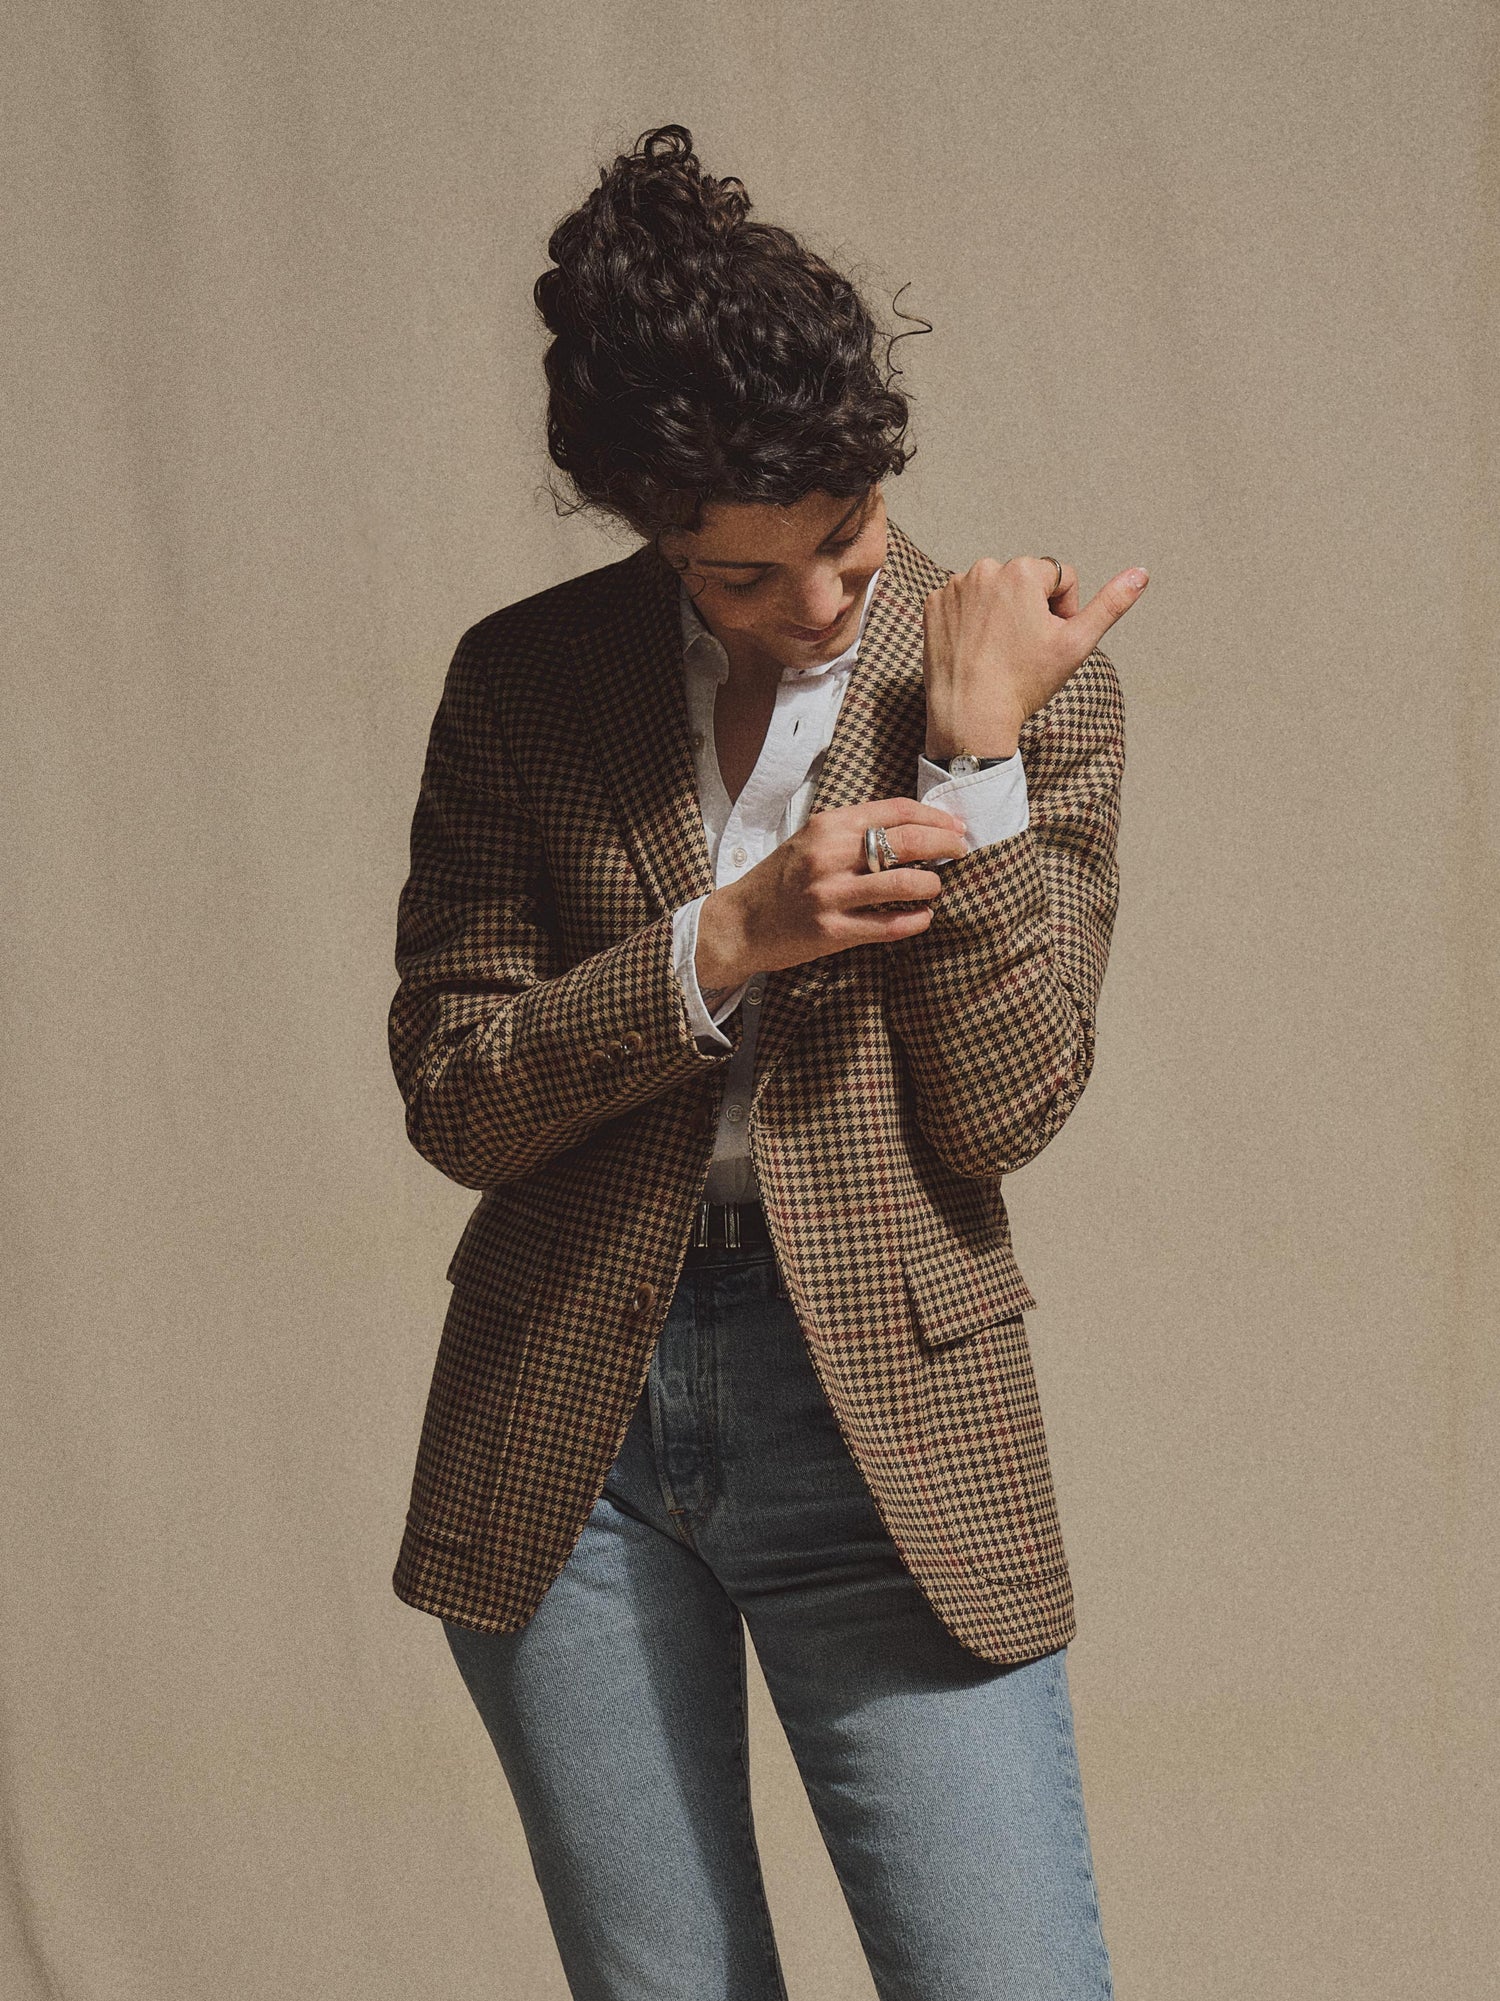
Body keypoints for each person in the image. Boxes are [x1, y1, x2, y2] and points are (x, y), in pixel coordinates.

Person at [388, 122, 1146, 2001]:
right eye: (739, 576)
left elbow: (1005, 1105)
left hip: (882, 1406)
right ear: (648, 527)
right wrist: (716, 943)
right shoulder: (526, 683)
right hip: (574, 1418)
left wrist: (973, 757)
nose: (813, 607)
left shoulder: (1023, 682)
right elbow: (459, 1090)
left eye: (847, 542)